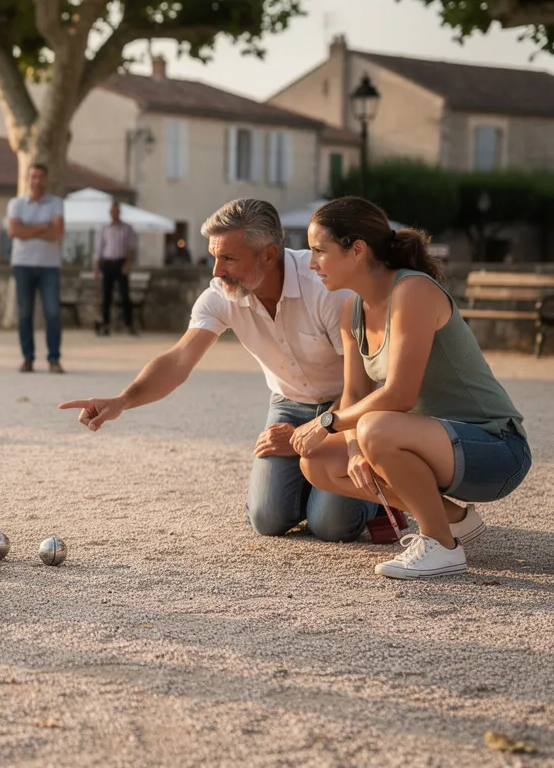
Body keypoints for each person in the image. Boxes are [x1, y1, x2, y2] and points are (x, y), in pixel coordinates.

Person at [60, 198, 377, 542]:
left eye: (228, 258)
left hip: (347, 407)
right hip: (288, 403)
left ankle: (378, 498)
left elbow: (362, 385)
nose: (216, 271)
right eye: (214, 256)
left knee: (333, 527)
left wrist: (318, 431)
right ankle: (310, 486)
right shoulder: (220, 295)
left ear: (268, 255)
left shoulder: (325, 289)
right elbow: (178, 360)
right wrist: (122, 400)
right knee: (267, 520)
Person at [293, 197, 530, 579]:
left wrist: (327, 422)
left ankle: (441, 546)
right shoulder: (350, 309)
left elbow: (399, 395)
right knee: (318, 461)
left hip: (497, 448)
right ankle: (453, 519)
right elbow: (354, 392)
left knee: (375, 426)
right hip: (436, 445)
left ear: (357, 250)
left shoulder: (412, 291)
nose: (312, 262)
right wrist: (353, 449)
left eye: (319, 251)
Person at [6, 163, 66, 373]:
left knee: (52, 313)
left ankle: (54, 359)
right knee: (24, 314)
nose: (37, 181)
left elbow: (57, 233)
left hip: (49, 266)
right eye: (33, 177)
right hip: (23, 264)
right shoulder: (16, 203)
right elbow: (14, 231)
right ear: (27, 179)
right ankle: (27, 358)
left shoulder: (56, 203)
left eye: (41, 177)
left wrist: (28, 229)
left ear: (46, 179)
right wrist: (42, 227)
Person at [94, 201, 138, 336]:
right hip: (108, 263)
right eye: (112, 212)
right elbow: (100, 249)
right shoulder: (105, 229)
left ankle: (128, 324)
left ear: (119, 213)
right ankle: (105, 324)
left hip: (120, 262)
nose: (114, 214)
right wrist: (96, 267)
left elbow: (131, 248)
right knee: (106, 296)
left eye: (116, 212)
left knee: (125, 295)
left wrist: (127, 264)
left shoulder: (127, 229)